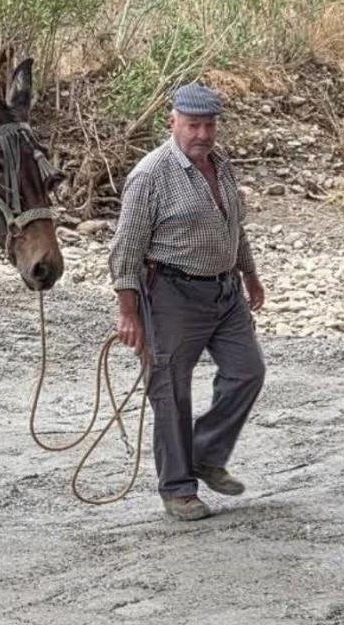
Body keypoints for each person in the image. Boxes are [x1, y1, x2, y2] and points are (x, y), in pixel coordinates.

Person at [107, 82, 266, 521]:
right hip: (172, 293)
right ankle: (178, 489)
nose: (203, 134)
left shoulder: (220, 162)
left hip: (225, 291)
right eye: (193, 125)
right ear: (173, 122)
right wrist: (128, 311)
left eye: (209, 125)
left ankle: (206, 453)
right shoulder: (150, 176)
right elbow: (125, 250)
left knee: (247, 372)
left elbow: (234, 226)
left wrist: (250, 274)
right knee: (170, 390)